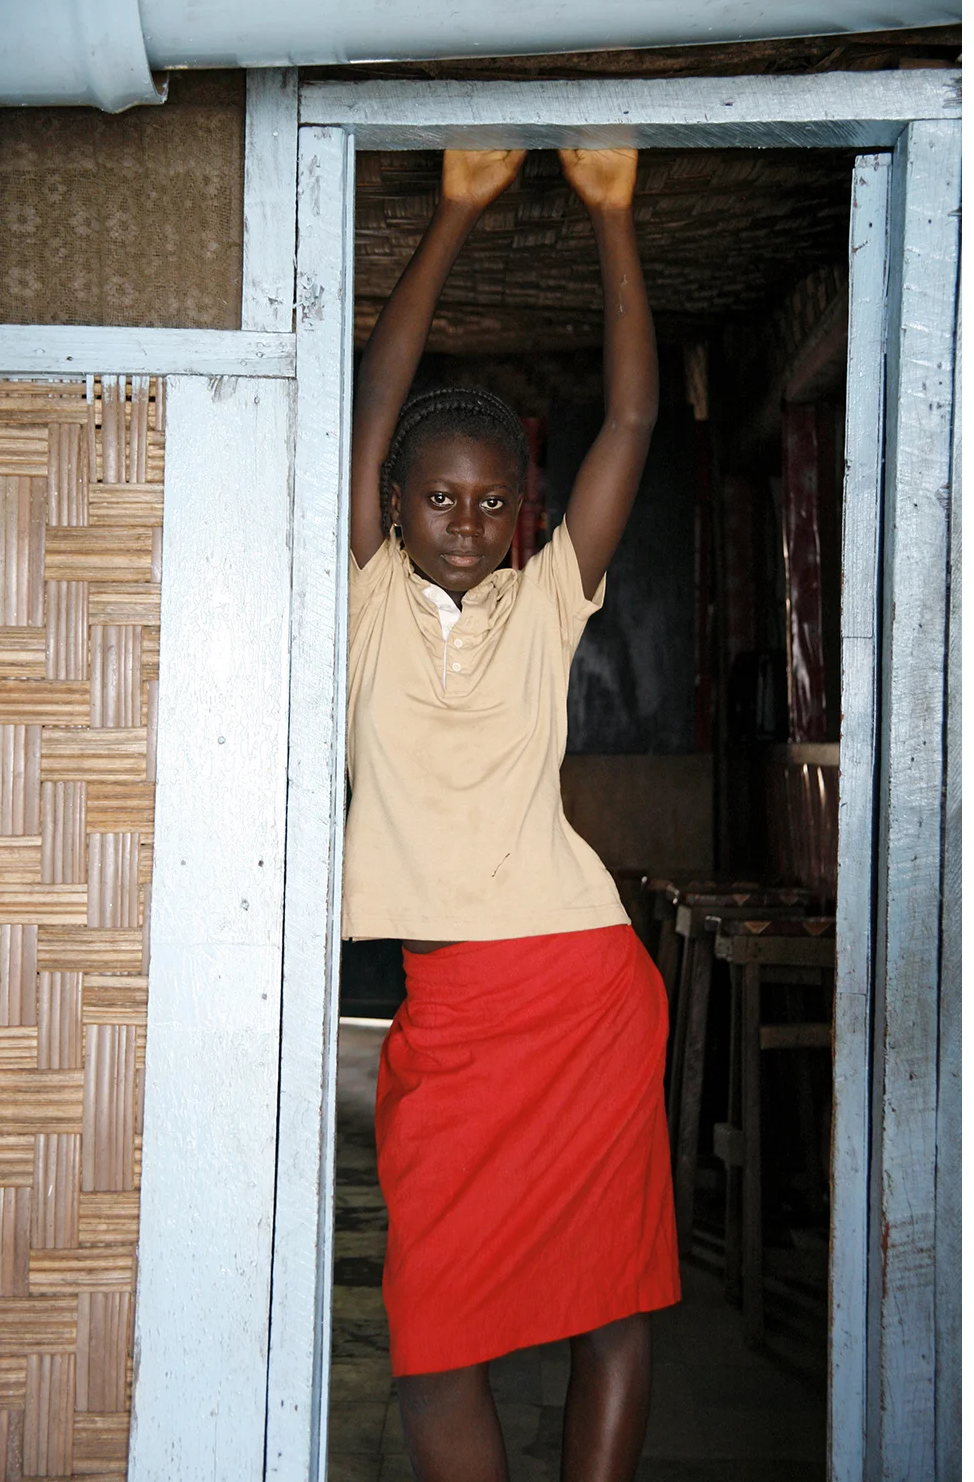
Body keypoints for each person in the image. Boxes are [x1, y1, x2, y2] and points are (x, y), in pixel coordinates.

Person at [345, 145, 680, 1482]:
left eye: (493, 502)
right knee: (432, 1347)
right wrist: (455, 211)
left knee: (610, 1306)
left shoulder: (548, 605)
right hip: (450, 1018)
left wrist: (613, 217)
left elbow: (635, 425)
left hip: (584, 995)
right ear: (395, 509)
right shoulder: (364, 598)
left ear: (523, 514)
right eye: (440, 498)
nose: (468, 524)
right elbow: (379, 389)